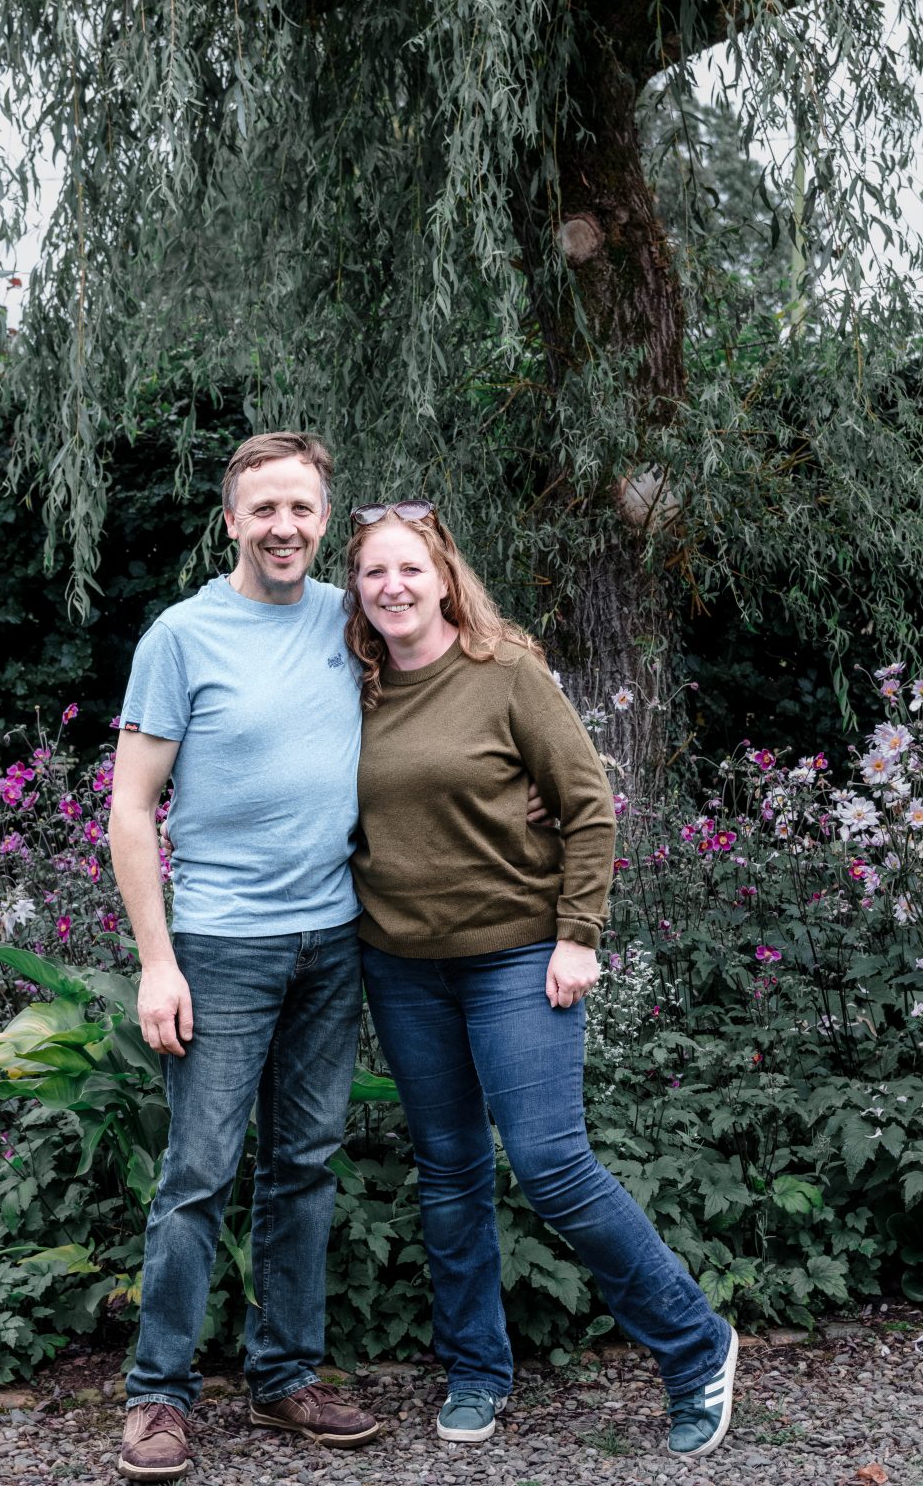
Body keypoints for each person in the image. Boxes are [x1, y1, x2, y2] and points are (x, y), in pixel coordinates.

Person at [344, 500, 739, 1461]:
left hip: (520, 955)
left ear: (444, 575)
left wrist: (578, 935)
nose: (392, 587)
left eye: (408, 569)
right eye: (370, 574)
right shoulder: (348, 687)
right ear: (353, 593)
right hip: (400, 964)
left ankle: (697, 1347)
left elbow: (589, 806)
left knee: (552, 1164)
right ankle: (477, 1370)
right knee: (447, 1171)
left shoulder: (505, 673)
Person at [109, 433, 382, 1482]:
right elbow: (132, 809)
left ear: (323, 518)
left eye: (301, 510)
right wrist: (156, 960)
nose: (283, 527)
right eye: (262, 509)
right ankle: (158, 1397)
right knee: (197, 1177)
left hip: (333, 939)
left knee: (303, 1168)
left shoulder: (346, 621)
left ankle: (284, 1380)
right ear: (231, 520)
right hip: (220, 945)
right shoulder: (181, 636)